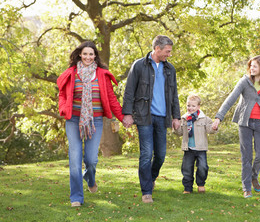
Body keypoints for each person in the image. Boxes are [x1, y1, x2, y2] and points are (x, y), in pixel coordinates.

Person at [57, 41, 124, 207]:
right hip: (73, 120)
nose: (88, 57)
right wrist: (64, 109)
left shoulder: (101, 74)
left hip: (95, 121)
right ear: (80, 54)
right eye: (85, 54)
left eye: (91, 54)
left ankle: (90, 176)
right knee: (74, 159)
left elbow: (111, 99)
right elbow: (62, 95)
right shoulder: (71, 73)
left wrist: (123, 117)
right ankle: (76, 198)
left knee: (91, 159)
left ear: (95, 56)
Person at [122, 35, 181, 203]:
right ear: (157, 49)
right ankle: (146, 190)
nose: (169, 55)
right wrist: (127, 113)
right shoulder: (139, 65)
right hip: (143, 116)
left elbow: (174, 95)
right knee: (146, 153)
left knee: (161, 155)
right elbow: (129, 91)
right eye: (167, 51)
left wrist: (176, 116)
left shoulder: (170, 69)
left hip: (163, 118)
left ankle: (151, 178)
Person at [212, 55, 260, 198]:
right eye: (251, 66)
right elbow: (230, 99)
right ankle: (246, 188)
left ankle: (254, 176)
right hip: (244, 123)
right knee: (246, 157)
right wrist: (218, 117)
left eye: (255, 66)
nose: (251, 68)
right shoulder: (244, 82)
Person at [174, 94, 217, 194]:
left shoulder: (204, 119)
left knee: (203, 167)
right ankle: (187, 188)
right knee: (187, 169)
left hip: (201, 148)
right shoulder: (184, 119)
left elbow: (209, 129)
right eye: (189, 106)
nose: (190, 108)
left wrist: (214, 127)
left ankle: (201, 184)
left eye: (193, 106)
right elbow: (179, 133)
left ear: (198, 107)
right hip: (188, 148)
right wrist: (175, 128)